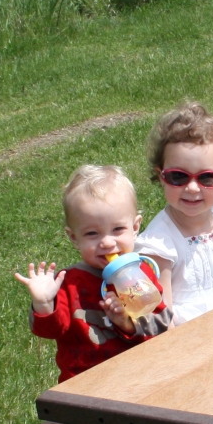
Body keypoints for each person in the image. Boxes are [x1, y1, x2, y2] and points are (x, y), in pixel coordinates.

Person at [15, 165, 170, 384]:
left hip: (140, 375)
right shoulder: (68, 283)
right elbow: (51, 330)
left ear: (135, 227)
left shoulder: (140, 273)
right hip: (83, 383)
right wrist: (43, 302)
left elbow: (162, 324)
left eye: (118, 229)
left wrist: (127, 323)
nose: (107, 242)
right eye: (91, 233)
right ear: (74, 237)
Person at [134, 102, 213, 325]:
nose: (192, 188)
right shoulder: (160, 244)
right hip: (195, 336)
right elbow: (163, 316)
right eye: (178, 177)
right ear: (161, 176)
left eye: (207, 177)